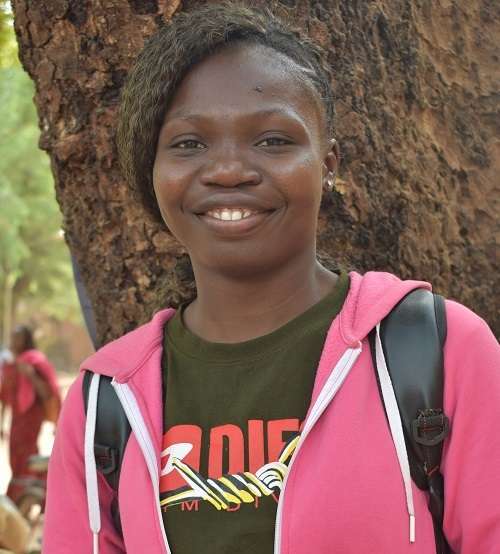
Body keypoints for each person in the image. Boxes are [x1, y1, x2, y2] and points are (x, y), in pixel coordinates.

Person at [42, 3, 500, 553]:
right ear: (153, 171)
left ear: (328, 164)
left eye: (273, 141)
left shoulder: (438, 351)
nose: (229, 170)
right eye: (189, 144)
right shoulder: (104, 403)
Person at [0, 325, 60, 502]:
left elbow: (48, 393)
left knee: (26, 457)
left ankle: (25, 495)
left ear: (26, 340)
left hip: (32, 417)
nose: (13, 342)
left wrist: (31, 375)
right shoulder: (11, 365)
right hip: (16, 419)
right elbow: (5, 397)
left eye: (17, 338)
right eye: (12, 337)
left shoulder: (35, 361)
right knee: (16, 457)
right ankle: (31, 493)